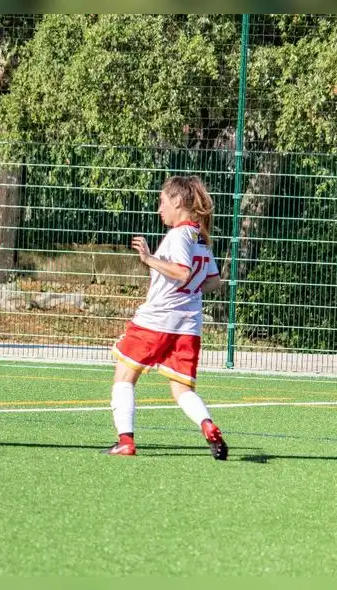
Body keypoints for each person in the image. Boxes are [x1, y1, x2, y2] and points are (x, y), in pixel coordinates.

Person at [107, 175, 228, 460]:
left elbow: (183, 272)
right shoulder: (200, 239)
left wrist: (149, 259)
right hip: (188, 326)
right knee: (181, 389)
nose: (159, 209)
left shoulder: (178, 236)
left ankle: (125, 441)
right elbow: (213, 282)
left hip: (156, 321)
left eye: (162, 202)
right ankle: (207, 424)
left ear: (177, 202)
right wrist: (188, 289)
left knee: (124, 377)